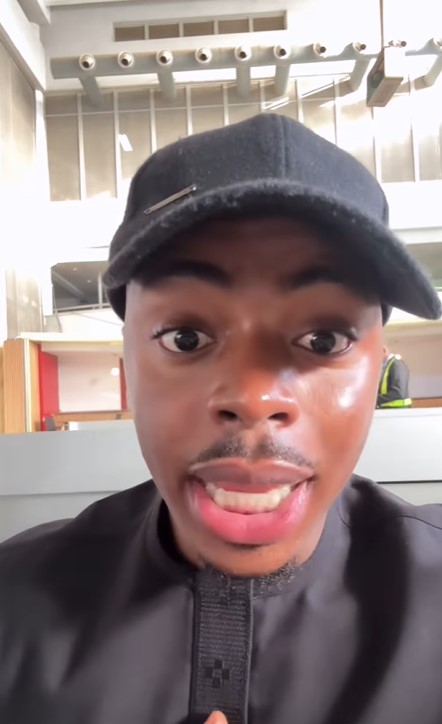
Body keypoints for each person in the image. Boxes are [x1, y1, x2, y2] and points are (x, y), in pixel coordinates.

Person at [0, 113, 441, 724]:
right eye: (185, 337)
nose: (254, 397)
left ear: (378, 368)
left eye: (324, 339)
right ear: (128, 367)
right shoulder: (13, 600)